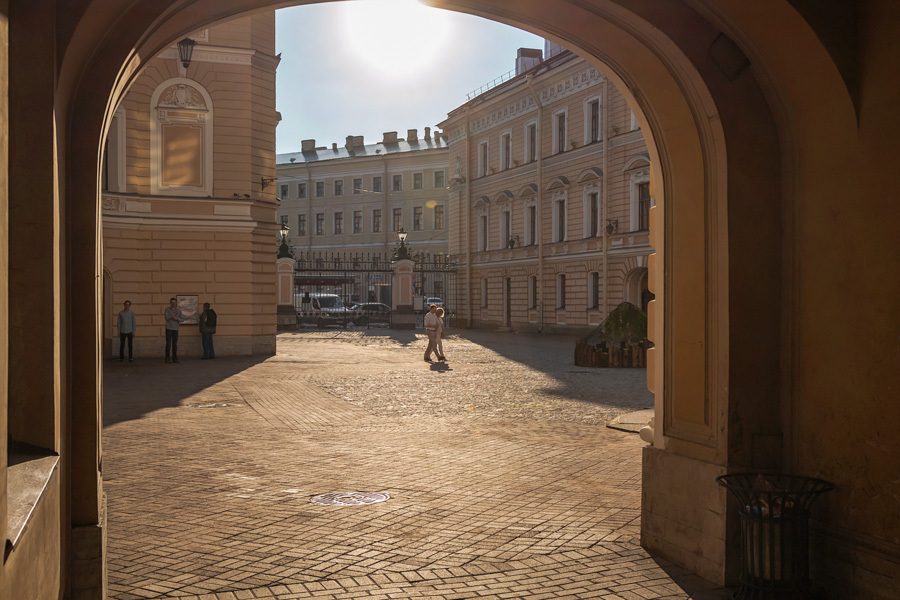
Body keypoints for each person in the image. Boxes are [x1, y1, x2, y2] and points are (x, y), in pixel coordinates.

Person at [164, 297, 182, 363]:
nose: (173, 304)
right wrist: (172, 316)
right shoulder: (167, 309)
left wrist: (177, 319)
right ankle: (167, 357)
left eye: (174, 302)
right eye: (172, 302)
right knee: (168, 344)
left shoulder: (179, 310)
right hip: (168, 328)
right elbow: (166, 318)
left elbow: (182, 319)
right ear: (170, 303)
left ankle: (175, 358)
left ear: (176, 303)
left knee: (175, 344)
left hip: (175, 329)